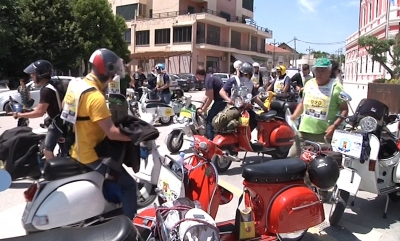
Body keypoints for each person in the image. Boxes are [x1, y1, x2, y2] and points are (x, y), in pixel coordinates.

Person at [61, 48, 137, 219]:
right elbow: (112, 134)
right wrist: (134, 137)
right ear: (107, 71)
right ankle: (130, 229)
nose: (114, 76)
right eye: (114, 72)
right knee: (129, 185)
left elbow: (65, 111)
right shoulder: (95, 97)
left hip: (75, 149)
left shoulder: (76, 85)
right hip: (91, 155)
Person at [289, 58, 348, 200]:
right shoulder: (309, 84)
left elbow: (344, 110)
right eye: (317, 70)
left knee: (320, 165)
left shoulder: (336, 87)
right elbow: (302, 103)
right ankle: (302, 188)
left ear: (329, 72)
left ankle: (322, 190)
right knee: (293, 159)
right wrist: (293, 117)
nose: (320, 73)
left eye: (323, 70)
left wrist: (334, 126)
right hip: (303, 130)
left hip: (323, 134)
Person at [14, 60, 63, 161]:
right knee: (63, 149)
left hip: (58, 124)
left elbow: (39, 112)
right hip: (63, 120)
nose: (31, 76)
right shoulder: (53, 85)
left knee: (46, 150)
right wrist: (29, 111)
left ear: (41, 74)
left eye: (33, 73)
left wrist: (19, 115)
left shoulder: (46, 90)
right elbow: (44, 107)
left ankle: (55, 173)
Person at [220, 62, 269, 132]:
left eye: (247, 74)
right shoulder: (234, 80)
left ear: (251, 74)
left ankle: (246, 139)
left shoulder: (251, 83)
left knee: (254, 120)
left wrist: (264, 107)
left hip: (246, 109)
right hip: (233, 108)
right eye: (244, 74)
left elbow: (255, 98)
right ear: (240, 72)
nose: (245, 76)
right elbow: (222, 91)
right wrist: (229, 100)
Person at [197, 67, 225, 140]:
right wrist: (200, 106)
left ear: (198, 75)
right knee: (209, 114)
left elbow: (210, 98)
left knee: (209, 119)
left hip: (221, 101)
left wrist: (203, 110)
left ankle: (210, 140)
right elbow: (206, 95)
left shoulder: (208, 80)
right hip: (220, 100)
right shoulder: (208, 77)